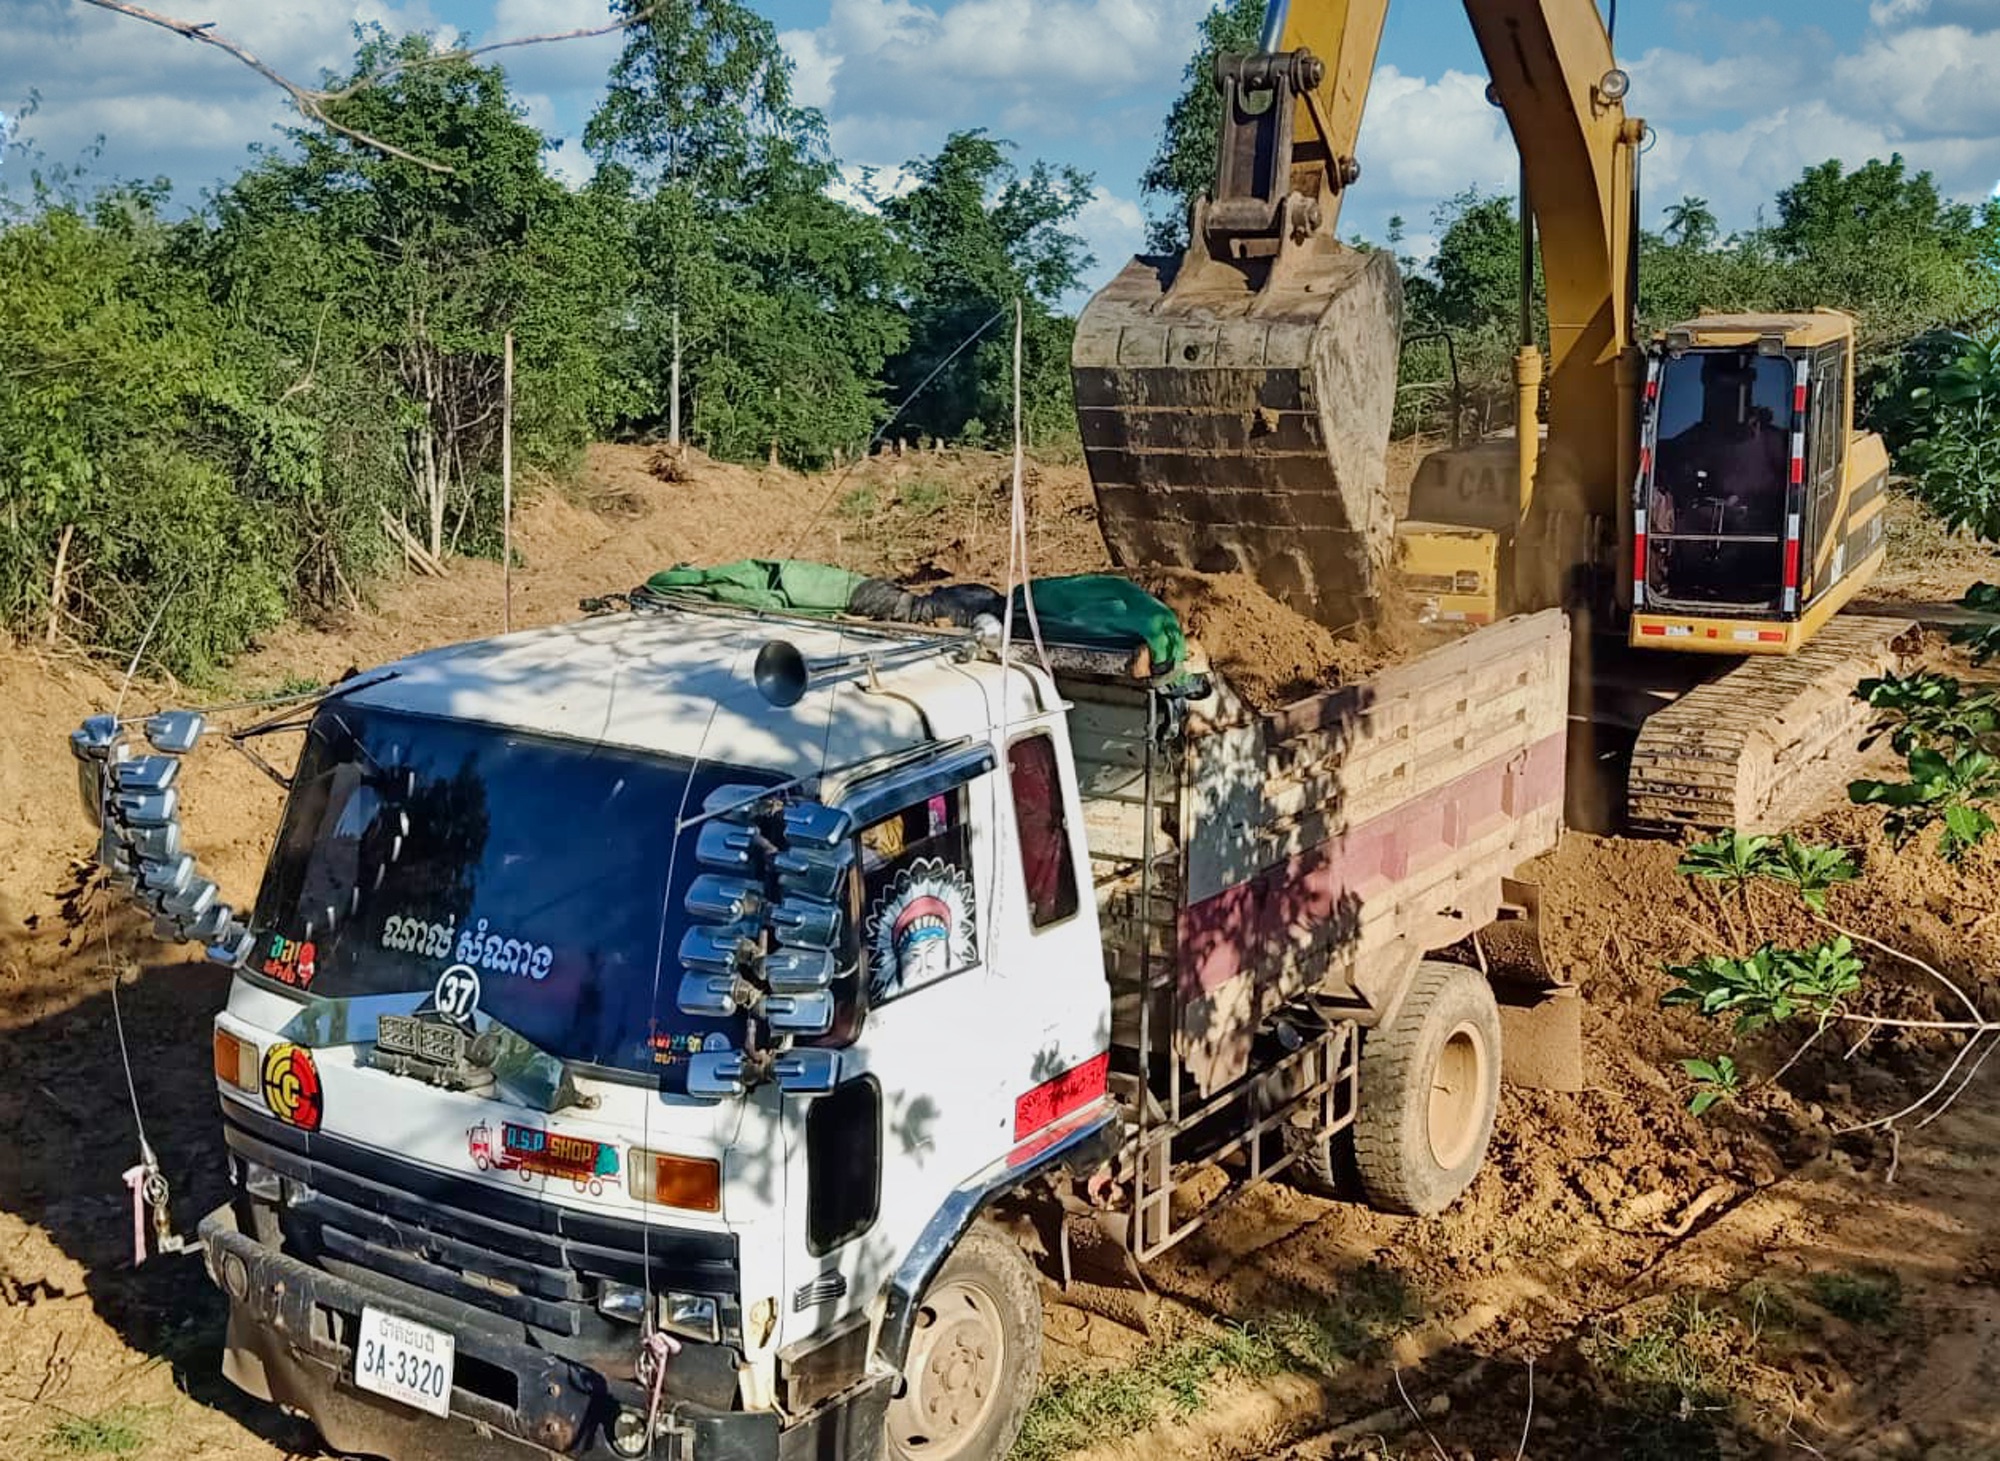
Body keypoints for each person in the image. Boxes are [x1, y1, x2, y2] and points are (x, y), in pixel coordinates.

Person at [1655, 354, 1789, 538]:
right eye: (1722, 387)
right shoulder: (1677, 449)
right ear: (1706, 381)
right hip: (1693, 553)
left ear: (1750, 382)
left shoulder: (1779, 446)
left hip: (1760, 552)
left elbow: (1794, 499)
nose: (1729, 398)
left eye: (1736, 385)